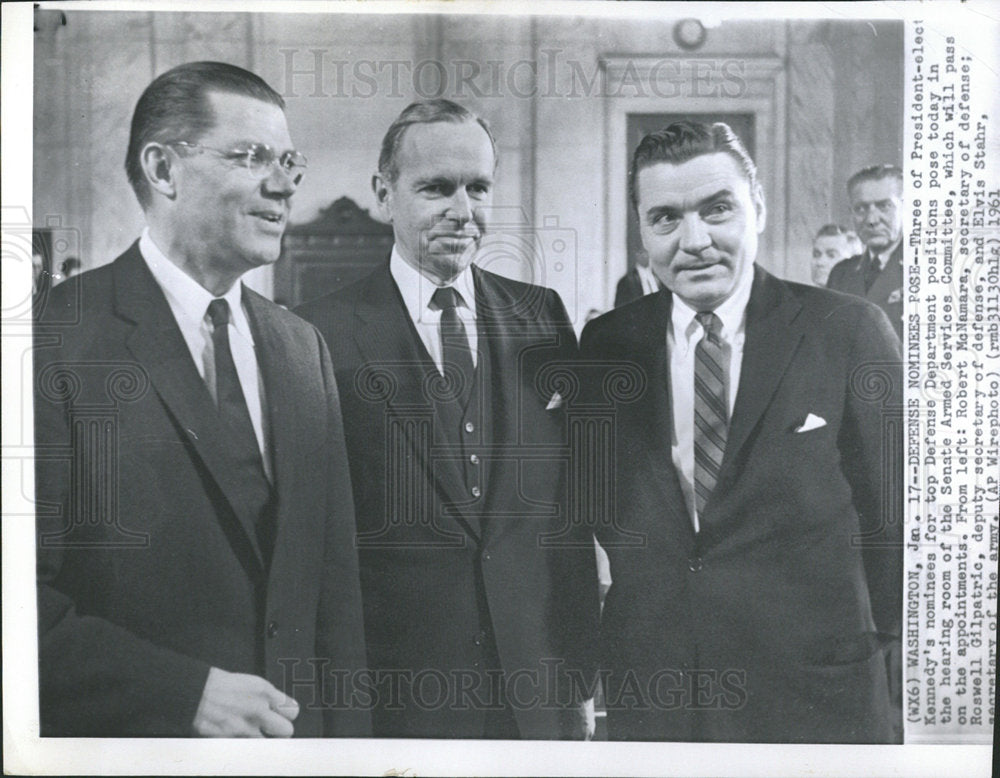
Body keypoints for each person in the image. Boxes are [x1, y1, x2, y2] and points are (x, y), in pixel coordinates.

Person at [33, 61, 369, 737]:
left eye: (289, 162)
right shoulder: (51, 338)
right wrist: (180, 693)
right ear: (163, 170)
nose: (284, 186)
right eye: (251, 157)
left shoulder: (304, 349)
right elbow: (16, 604)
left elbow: (336, 603)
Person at [577, 121, 902, 742]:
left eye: (717, 209)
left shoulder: (847, 329)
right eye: (666, 218)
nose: (694, 241)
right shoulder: (607, 343)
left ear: (758, 209)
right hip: (660, 691)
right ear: (643, 233)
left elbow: (893, 515)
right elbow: (603, 508)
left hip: (813, 694)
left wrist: (872, 648)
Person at [295, 99, 600, 740]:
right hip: (399, 692)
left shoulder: (541, 315)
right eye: (436, 188)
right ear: (385, 194)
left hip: (537, 688)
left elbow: (567, 516)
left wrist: (579, 675)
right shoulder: (318, 332)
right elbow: (315, 539)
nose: (462, 211)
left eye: (478, 187)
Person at [826, 165, 904, 340]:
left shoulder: (928, 269)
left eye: (884, 206)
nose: (871, 220)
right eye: (861, 209)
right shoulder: (841, 274)